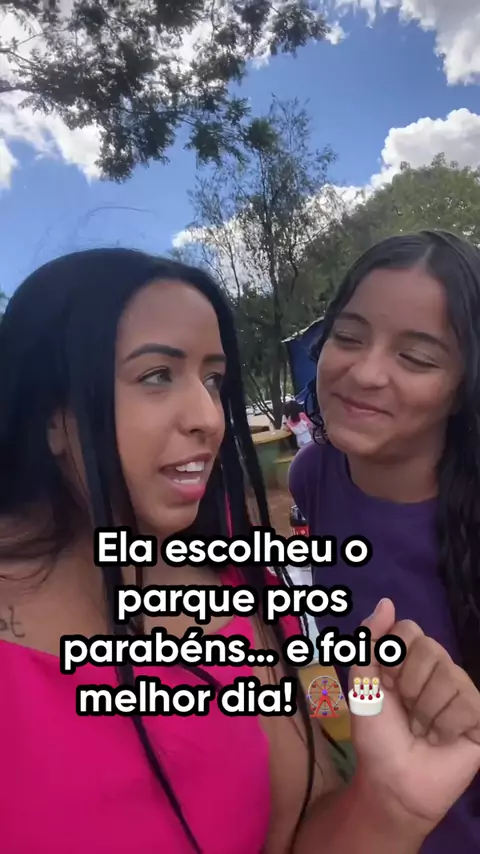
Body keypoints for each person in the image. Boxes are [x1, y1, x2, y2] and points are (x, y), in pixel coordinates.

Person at [0, 247, 479, 854]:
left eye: (213, 381)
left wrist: (389, 802)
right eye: (157, 375)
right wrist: (369, 771)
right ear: (48, 411)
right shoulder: (311, 479)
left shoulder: (232, 587)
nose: (210, 415)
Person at [289, 230, 480, 852]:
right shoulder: (313, 475)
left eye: (417, 358)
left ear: (464, 386)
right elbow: (338, 636)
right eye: (348, 337)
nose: (365, 373)